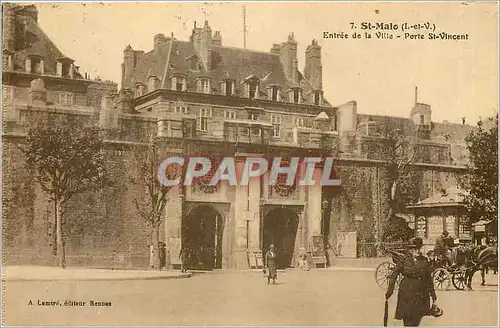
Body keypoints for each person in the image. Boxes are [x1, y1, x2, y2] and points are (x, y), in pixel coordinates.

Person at [386, 237, 438, 327]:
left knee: (417, 319)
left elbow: (428, 278)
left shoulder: (424, 260)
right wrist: (389, 291)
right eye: (413, 248)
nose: (416, 250)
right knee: (407, 319)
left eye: (418, 248)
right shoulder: (404, 260)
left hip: (421, 294)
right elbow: (394, 275)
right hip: (406, 293)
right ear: (409, 249)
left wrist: (433, 294)